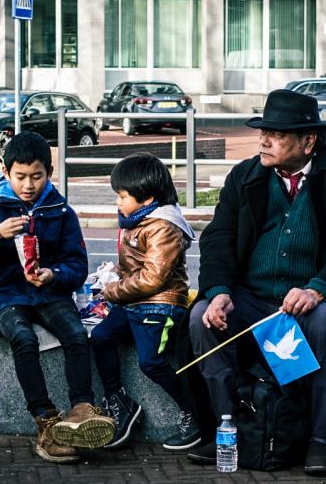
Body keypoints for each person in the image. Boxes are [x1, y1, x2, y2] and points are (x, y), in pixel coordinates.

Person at [187, 89, 326, 475]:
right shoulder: (245, 176)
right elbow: (219, 238)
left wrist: (318, 287)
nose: (264, 140)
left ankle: (323, 440)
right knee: (202, 318)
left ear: (308, 141)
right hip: (251, 297)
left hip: (313, 298)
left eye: (277, 133)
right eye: (264, 131)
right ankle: (230, 432)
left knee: (325, 324)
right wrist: (220, 292)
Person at [0, 132, 114, 464]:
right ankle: (46, 421)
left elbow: (77, 266)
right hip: (3, 294)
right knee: (23, 339)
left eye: (36, 176)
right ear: (5, 172)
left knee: (75, 334)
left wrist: (53, 275)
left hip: (48, 291)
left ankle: (82, 408)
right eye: (20, 177)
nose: (28, 185)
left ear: (49, 173)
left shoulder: (60, 210)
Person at [89, 152, 202, 450]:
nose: (118, 202)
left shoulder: (164, 226)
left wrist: (112, 290)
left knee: (151, 362)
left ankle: (194, 411)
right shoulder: (138, 220)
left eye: (122, 196)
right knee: (100, 337)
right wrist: (113, 276)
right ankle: (119, 401)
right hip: (135, 303)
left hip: (160, 305)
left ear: (147, 198)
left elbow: (153, 279)